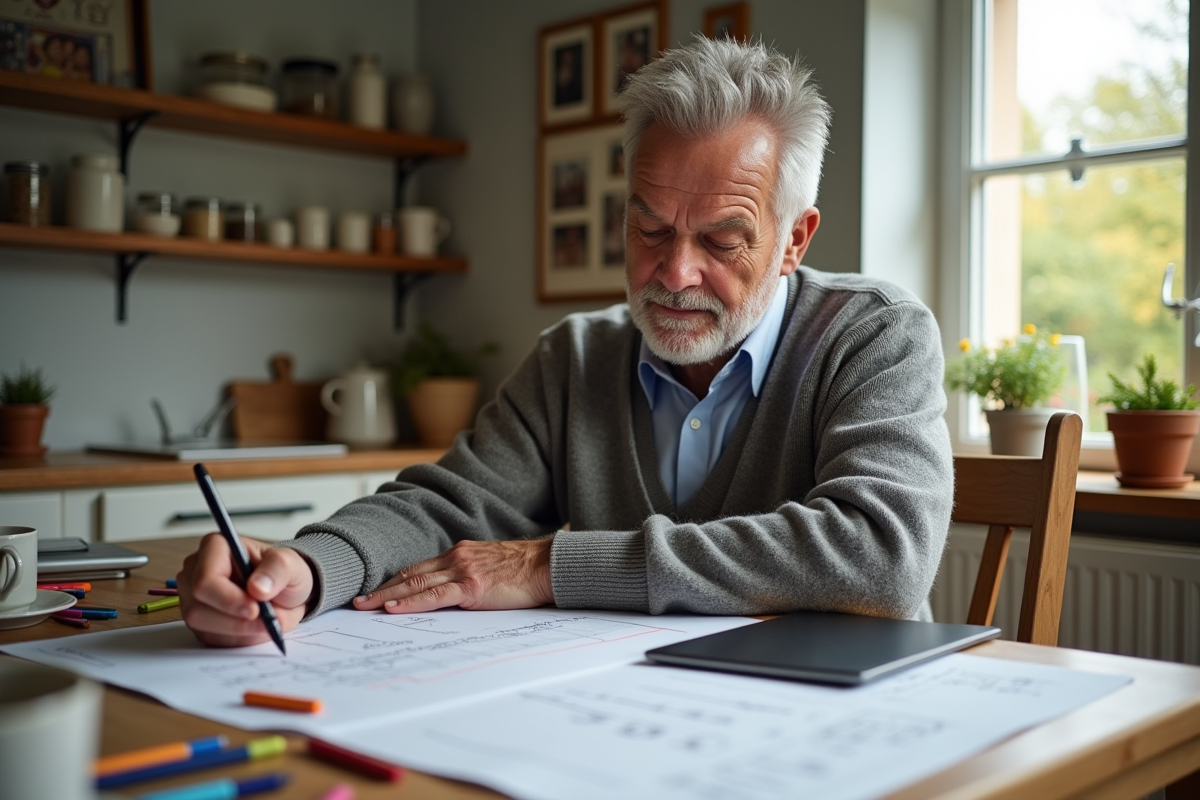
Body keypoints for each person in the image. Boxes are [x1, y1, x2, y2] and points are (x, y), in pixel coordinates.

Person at [178, 37, 954, 649]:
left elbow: (880, 553)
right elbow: (452, 507)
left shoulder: (877, 335)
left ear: (794, 241)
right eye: (650, 227)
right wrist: (308, 568)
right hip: (624, 717)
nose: (675, 272)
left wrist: (553, 564)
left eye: (722, 240)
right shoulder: (575, 357)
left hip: (844, 729)